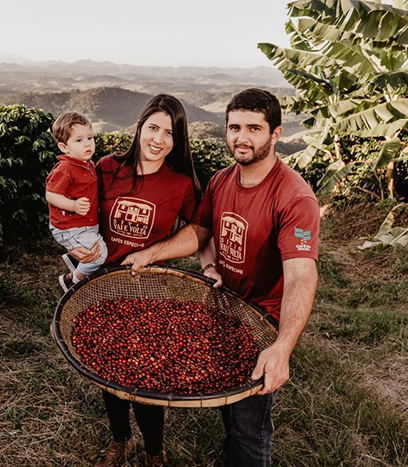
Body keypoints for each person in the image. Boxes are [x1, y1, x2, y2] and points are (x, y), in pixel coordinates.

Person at [122, 88, 320, 466]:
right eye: (234, 127)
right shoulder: (222, 180)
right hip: (226, 308)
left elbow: (300, 275)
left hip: (263, 322)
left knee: (249, 427)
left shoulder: (294, 198)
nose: (241, 138)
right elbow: (200, 231)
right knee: (230, 405)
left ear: (275, 134)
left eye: (254, 129)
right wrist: (152, 252)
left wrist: (282, 347)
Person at [66, 94, 201, 467]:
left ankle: (155, 451)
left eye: (169, 133)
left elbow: (199, 229)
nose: (158, 139)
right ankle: (119, 440)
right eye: (153, 127)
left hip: (149, 292)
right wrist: (74, 244)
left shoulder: (180, 183)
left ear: (178, 141)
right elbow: (76, 210)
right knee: (108, 368)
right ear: (139, 127)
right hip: (103, 288)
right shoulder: (107, 168)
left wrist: (156, 253)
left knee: (147, 374)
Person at [46, 111, 108, 292]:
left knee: (96, 246)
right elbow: (51, 195)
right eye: (79, 140)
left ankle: (75, 259)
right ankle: (73, 280)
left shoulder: (87, 163)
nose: (87, 143)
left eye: (90, 137)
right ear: (64, 148)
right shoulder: (65, 168)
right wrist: (72, 205)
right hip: (70, 226)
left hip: (85, 223)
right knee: (99, 254)